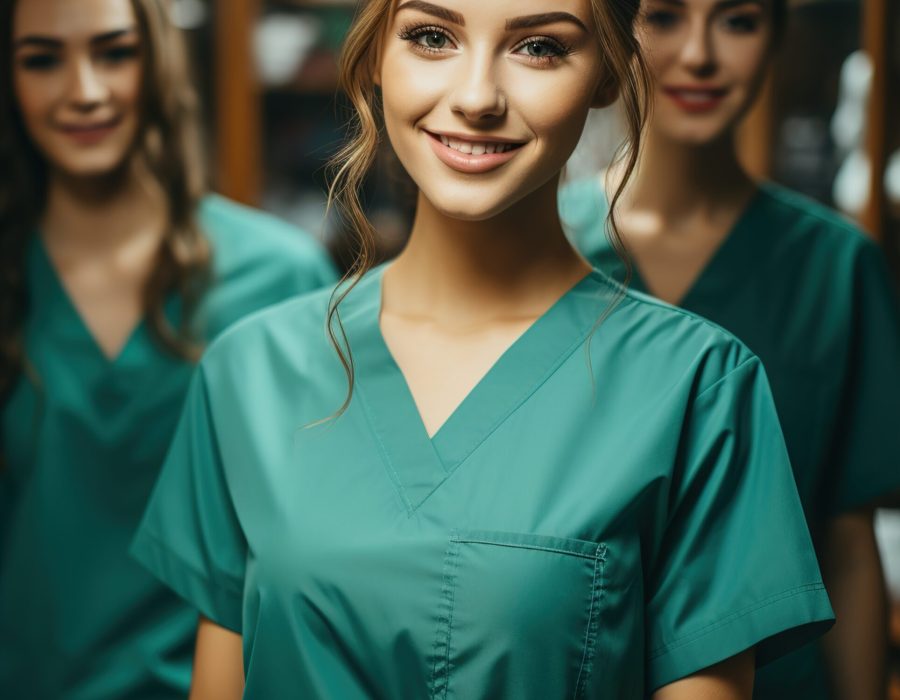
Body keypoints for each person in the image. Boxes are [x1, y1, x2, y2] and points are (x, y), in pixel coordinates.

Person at [131, 0, 834, 697]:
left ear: (611, 74)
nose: (476, 98)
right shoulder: (250, 372)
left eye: (539, 48)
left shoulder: (698, 388)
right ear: (377, 52)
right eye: (432, 37)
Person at [559, 0, 900, 698]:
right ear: (615, 33)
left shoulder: (835, 267)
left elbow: (849, 541)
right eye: (664, 17)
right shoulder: (537, 249)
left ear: (778, 38)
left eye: (738, 21)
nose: (701, 54)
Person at [0, 0, 337, 696]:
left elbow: (322, 554)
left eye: (115, 52)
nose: (85, 90)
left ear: (158, 61)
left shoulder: (280, 278)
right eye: (41, 60)